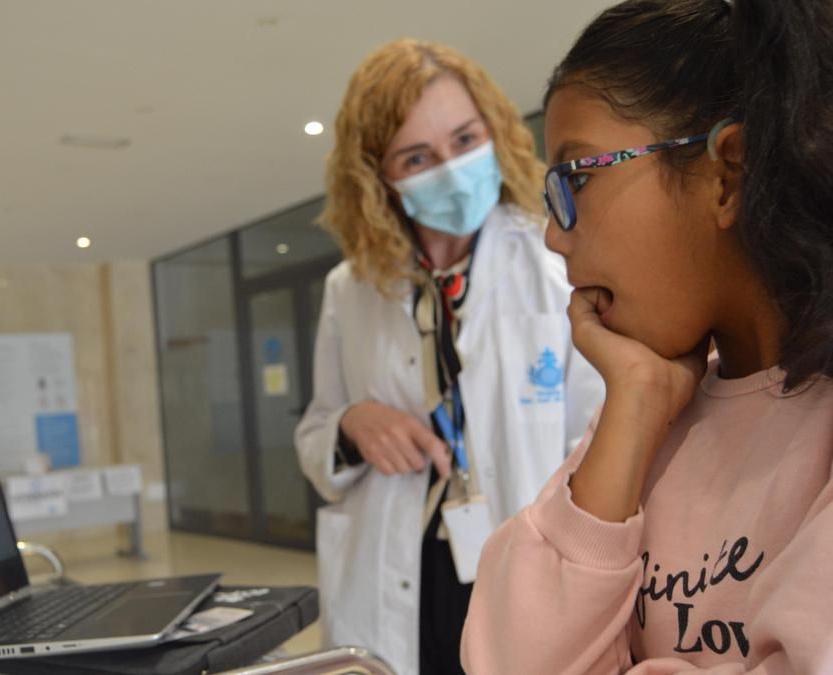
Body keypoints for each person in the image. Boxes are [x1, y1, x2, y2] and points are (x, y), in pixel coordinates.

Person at [461, 0, 833, 672]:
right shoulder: (647, 411)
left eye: (576, 177)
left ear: (728, 173)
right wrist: (633, 406)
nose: (553, 232)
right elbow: (509, 658)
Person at [294, 39, 604, 675]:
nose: (451, 167)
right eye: (417, 156)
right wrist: (351, 424)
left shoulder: (556, 265)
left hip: (524, 560)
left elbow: (600, 436)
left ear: (493, 129)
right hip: (401, 571)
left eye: (465, 141)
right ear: (378, 175)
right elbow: (316, 432)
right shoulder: (350, 289)